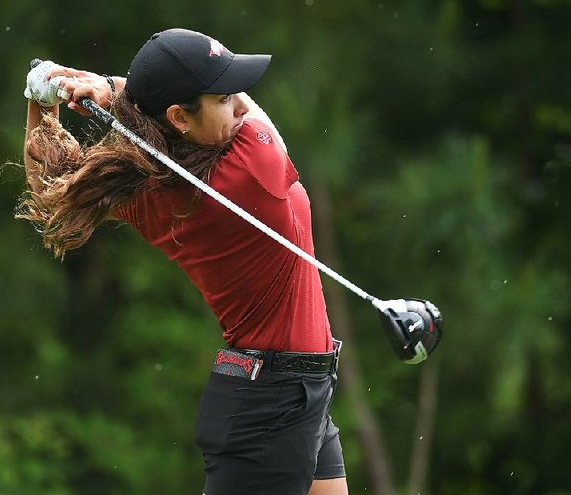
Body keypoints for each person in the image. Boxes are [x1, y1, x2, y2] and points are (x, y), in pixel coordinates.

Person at [20, 28, 348, 495]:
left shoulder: (152, 192)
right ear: (178, 116)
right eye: (223, 97)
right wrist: (114, 91)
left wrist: (39, 101)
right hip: (272, 403)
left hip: (291, 392)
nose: (239, 105)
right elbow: (259, 116)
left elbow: (51, 179)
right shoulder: (253, 170)